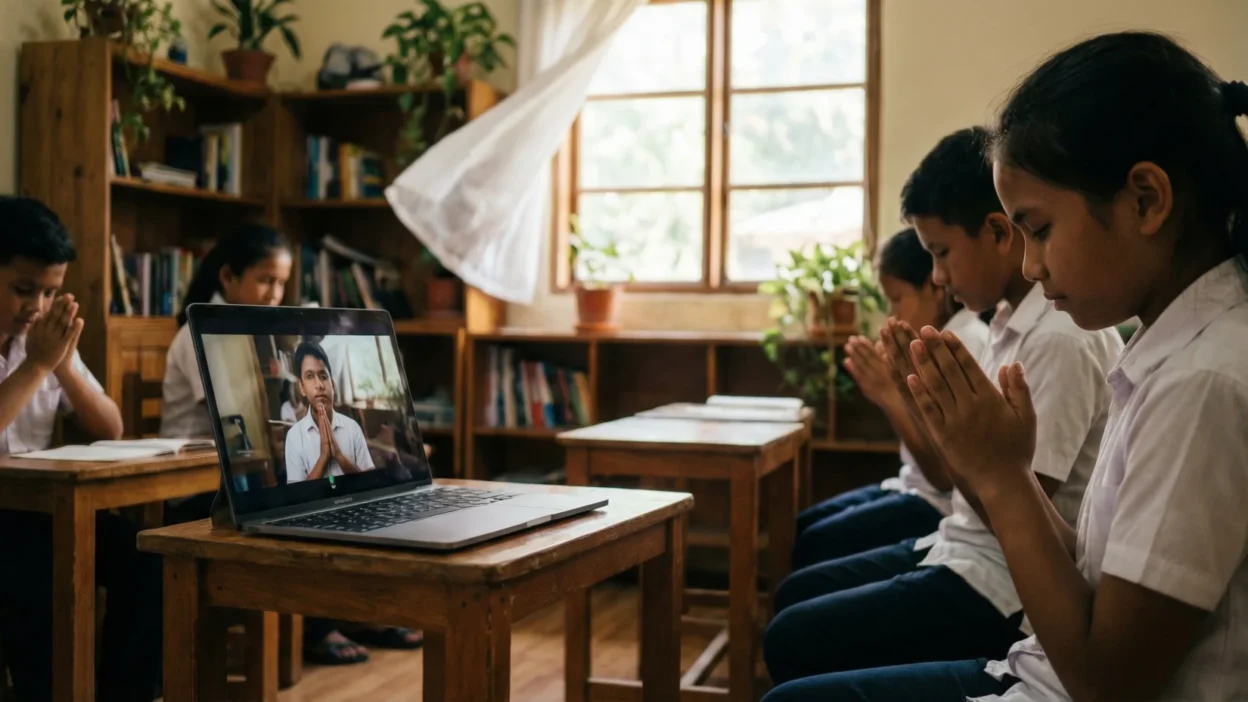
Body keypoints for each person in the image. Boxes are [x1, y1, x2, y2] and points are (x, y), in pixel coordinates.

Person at [764, 31, 1248, 701]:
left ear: (1145, 200)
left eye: (1039, 229)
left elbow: (1108, 682)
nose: (1030, 263)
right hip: (1032, 652)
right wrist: (996, 465)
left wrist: (999, 473)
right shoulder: (1171, 348)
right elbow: (1090, 566)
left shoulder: (1199, 379)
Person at [762, 127, 1123, 686]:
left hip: (999, 585)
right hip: (961, 549)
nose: (937, 276)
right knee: (799, 597)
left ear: (998, 232)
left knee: (794, 633)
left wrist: (917, 408)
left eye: (942, 253)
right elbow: (976, 492)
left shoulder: (1060, 339)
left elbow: (1007, 516)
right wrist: (923, 408)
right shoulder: (1010, 324)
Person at [0, 197, 154, 701]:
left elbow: (111, 426)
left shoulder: (44, 341)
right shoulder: (35, 354)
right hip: (7, 518)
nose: (37, 306)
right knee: (37, 578)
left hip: (47, 510)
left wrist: (63, 363)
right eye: (23, 289)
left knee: (148, 560)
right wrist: (37, 367)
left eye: (50, 292)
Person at [792, 227, 990, 568]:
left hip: (938, 503)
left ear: (933, 287)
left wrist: (890, 395)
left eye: (897, 299)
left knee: (813, 543)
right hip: (912, 485)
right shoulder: (937, 336)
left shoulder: (960, 343)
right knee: (800, 527)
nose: (891, 314)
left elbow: (942, 476)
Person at [160, 223, 292, 441]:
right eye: (266, 280)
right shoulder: (201, 331)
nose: (275, 294)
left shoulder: (250, 330)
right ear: (228, 276)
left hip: (239, 448)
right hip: (192, 453)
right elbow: (228, 411)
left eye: (281, 283)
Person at [284, 340, 374, 483]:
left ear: (332, 383)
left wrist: (339, 456)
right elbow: (297, 494)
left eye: (323, 376)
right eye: (309, 376)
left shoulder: (352, 428)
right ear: (302, 387)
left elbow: (370, 482)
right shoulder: (294, 437)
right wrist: (323, 458)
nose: (319, 385)